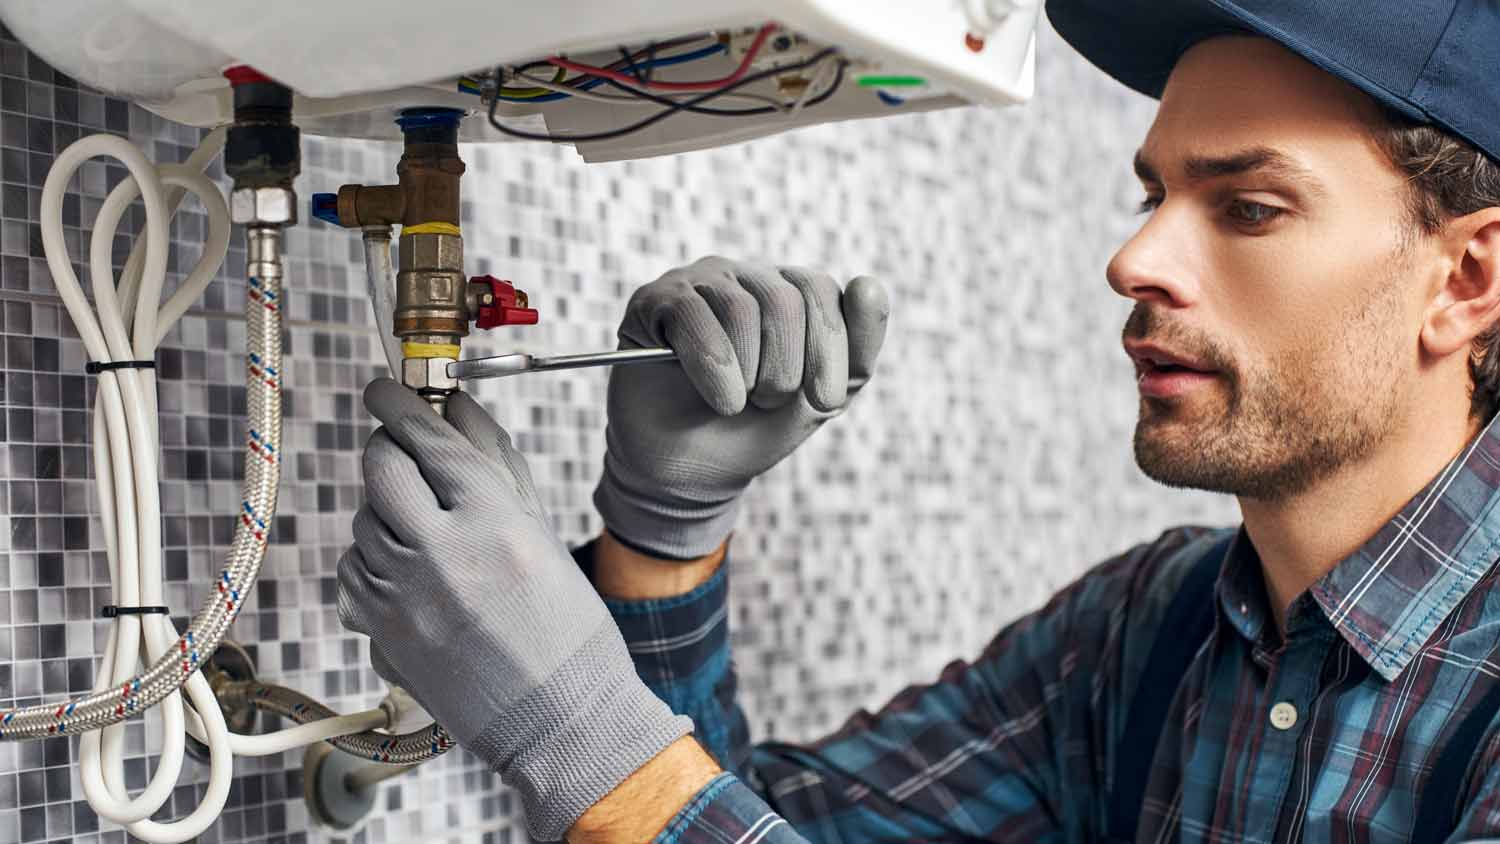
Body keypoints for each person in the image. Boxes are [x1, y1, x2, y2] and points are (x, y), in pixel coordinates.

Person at [336, 2, 1500, 841]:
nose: (1133, 258)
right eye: (1154, 194)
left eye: (1248, 207)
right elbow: (754, 821)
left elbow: (653, 796)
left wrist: (576, 732)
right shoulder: (1150, 632)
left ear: (1465, 281)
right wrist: (662, 528)